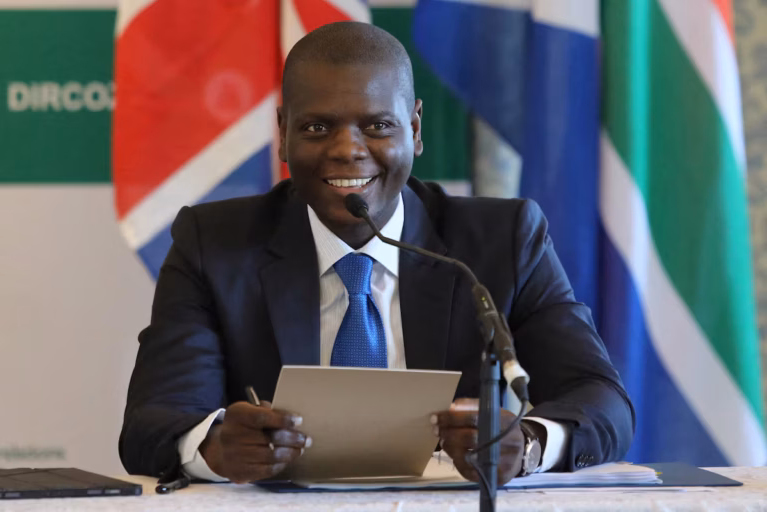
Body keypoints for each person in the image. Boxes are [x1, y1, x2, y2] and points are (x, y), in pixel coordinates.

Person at [119, 21, 634, 485]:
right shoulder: (214, 244)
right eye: (317, 127)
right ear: (283, 133)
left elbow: (602, 400)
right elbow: (152, 422)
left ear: (415, 128)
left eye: (378, 126)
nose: (348, 149)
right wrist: (214, 446)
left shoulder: (502, 240)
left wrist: (529, 445)